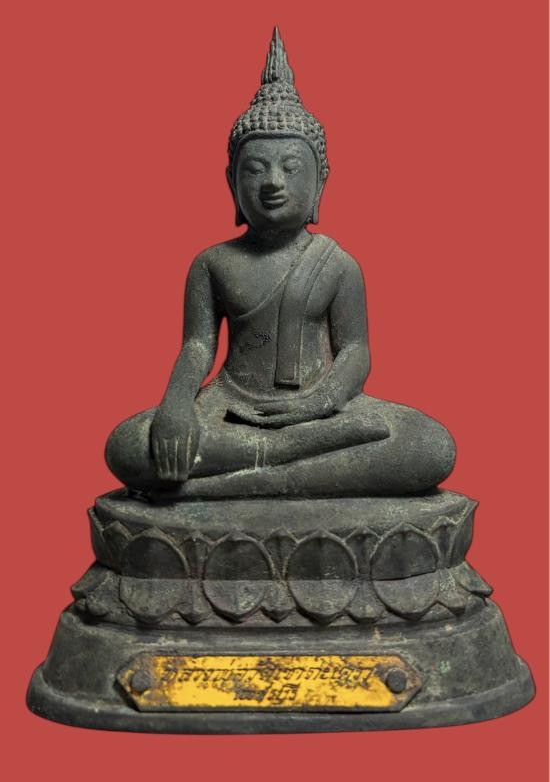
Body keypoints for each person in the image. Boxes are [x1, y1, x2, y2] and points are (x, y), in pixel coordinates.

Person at [105, 28, 455, 499]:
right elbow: (197, 346)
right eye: (255, 169)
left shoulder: (338, 265)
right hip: (231, 409)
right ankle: (280, 460)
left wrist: (323, 401)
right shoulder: (213, 263)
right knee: (129, 446)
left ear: (320, 182)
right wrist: (176, 405)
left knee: (430, 446)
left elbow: (355, 350)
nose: (272, 182)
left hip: (321, 413)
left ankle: (242, 479)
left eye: (291, 168)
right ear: (232, 182)